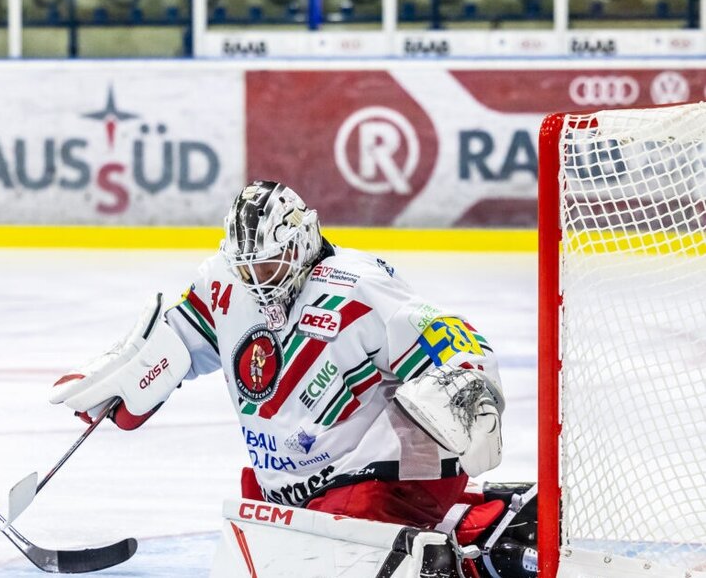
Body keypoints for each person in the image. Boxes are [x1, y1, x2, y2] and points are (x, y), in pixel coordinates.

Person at [50, 181, 536, 577]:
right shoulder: (226, 280)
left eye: (267, 263)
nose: (257, 279)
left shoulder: (356, 286)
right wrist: (132, 378)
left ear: (301, 239)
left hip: (385, 473)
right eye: (246, 266)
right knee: (282, 531)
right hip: (297, 483)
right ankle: (484, 524)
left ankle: (473, 545)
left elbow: (456, 341)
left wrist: (465, 384)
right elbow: (182, 337)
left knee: (338, 541)